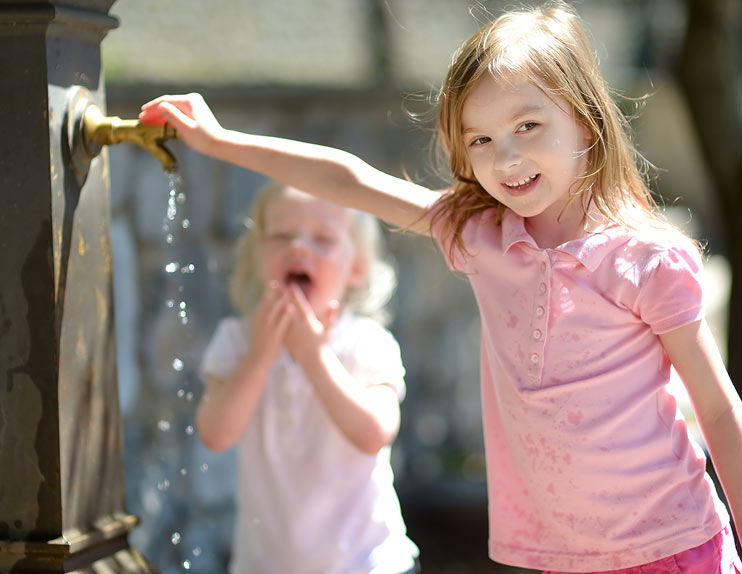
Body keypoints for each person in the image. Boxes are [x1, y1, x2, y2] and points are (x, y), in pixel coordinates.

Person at [140, 2, 742, 572]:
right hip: (564, 556)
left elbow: (716, 408)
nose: (505, 157)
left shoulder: (646, 259)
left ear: (585, 121)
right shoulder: (481, 237)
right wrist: (220, 143)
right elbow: (348, 180)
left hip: (675, 545)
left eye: (528, 125)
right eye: (480, 139)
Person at [194, 180, 420, 574]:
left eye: (324, 239)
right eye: (281, 235)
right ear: (256, 257)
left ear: (357, 269)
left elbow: (374, 434)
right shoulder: (237, 341)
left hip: (367, 562)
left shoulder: (367, 342)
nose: (298, 247)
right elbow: (215, 434)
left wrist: (313, 356)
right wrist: (260, 355)